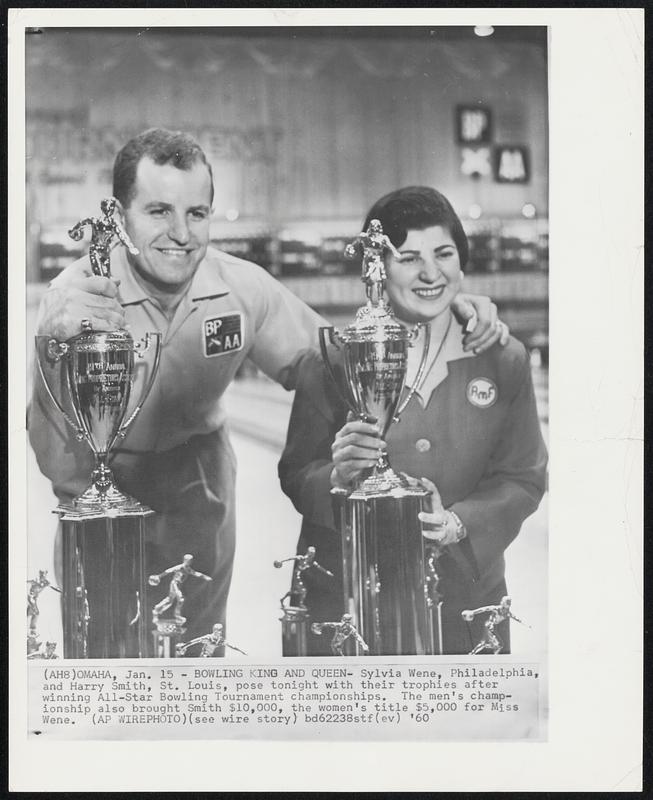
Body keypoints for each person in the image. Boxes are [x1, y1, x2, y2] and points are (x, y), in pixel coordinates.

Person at [29, 129, 509, 642]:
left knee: (199, 648)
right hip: (103, 488)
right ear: (120, 215)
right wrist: (50, 341)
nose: (181, 233)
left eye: (196, 213)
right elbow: (51, 443)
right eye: (158, 211)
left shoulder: (242, 288)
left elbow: (338, 360)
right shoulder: (78, 298)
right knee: (105, 654)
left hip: (197, 482)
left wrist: (439, 314)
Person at [279, 186, 547, 655]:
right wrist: (337, 478)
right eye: (408, 258)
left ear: (461, 264)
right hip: (349, 603)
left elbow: (522, 478)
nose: (430, 272)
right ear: (378, 272)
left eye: (443, 253)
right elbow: (296, 472)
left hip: (463, 599)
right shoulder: (332, 362)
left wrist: (460, 525)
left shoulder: (503, 360)